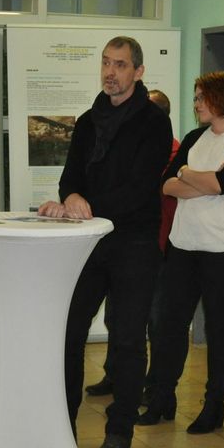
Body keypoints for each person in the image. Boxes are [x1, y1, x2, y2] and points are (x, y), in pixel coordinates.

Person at [38, 36, 172, 448]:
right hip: (89, 241)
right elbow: (70, 176)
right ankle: (64, 426)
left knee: (128, 340)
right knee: (70, 331)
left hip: (133, 242)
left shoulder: (154, 122)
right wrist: (72, 196)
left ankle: (119, 432)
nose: (110, 72)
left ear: (138, 72)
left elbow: (140, 187)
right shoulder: (87, 120)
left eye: (120, 65)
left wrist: (86, 206)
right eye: (106, 64)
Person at [138, 72, 224, 433]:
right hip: (182, 245)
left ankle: (214, 405)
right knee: (168, 325)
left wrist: (190, 176)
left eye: (201, 98)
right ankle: (163, 397)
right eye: (195, 98)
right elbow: (166, 184)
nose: (196, 105)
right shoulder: (194, 138)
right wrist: (199, 178)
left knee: (218, 328)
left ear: (222, 98)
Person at [85, 88, 179, 400]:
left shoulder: (172, 148)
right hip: (118, 243)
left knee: (146, 322)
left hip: (155, 243)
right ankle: (115, 375)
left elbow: (158, 190)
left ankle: (149, 387)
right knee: (116, 317)